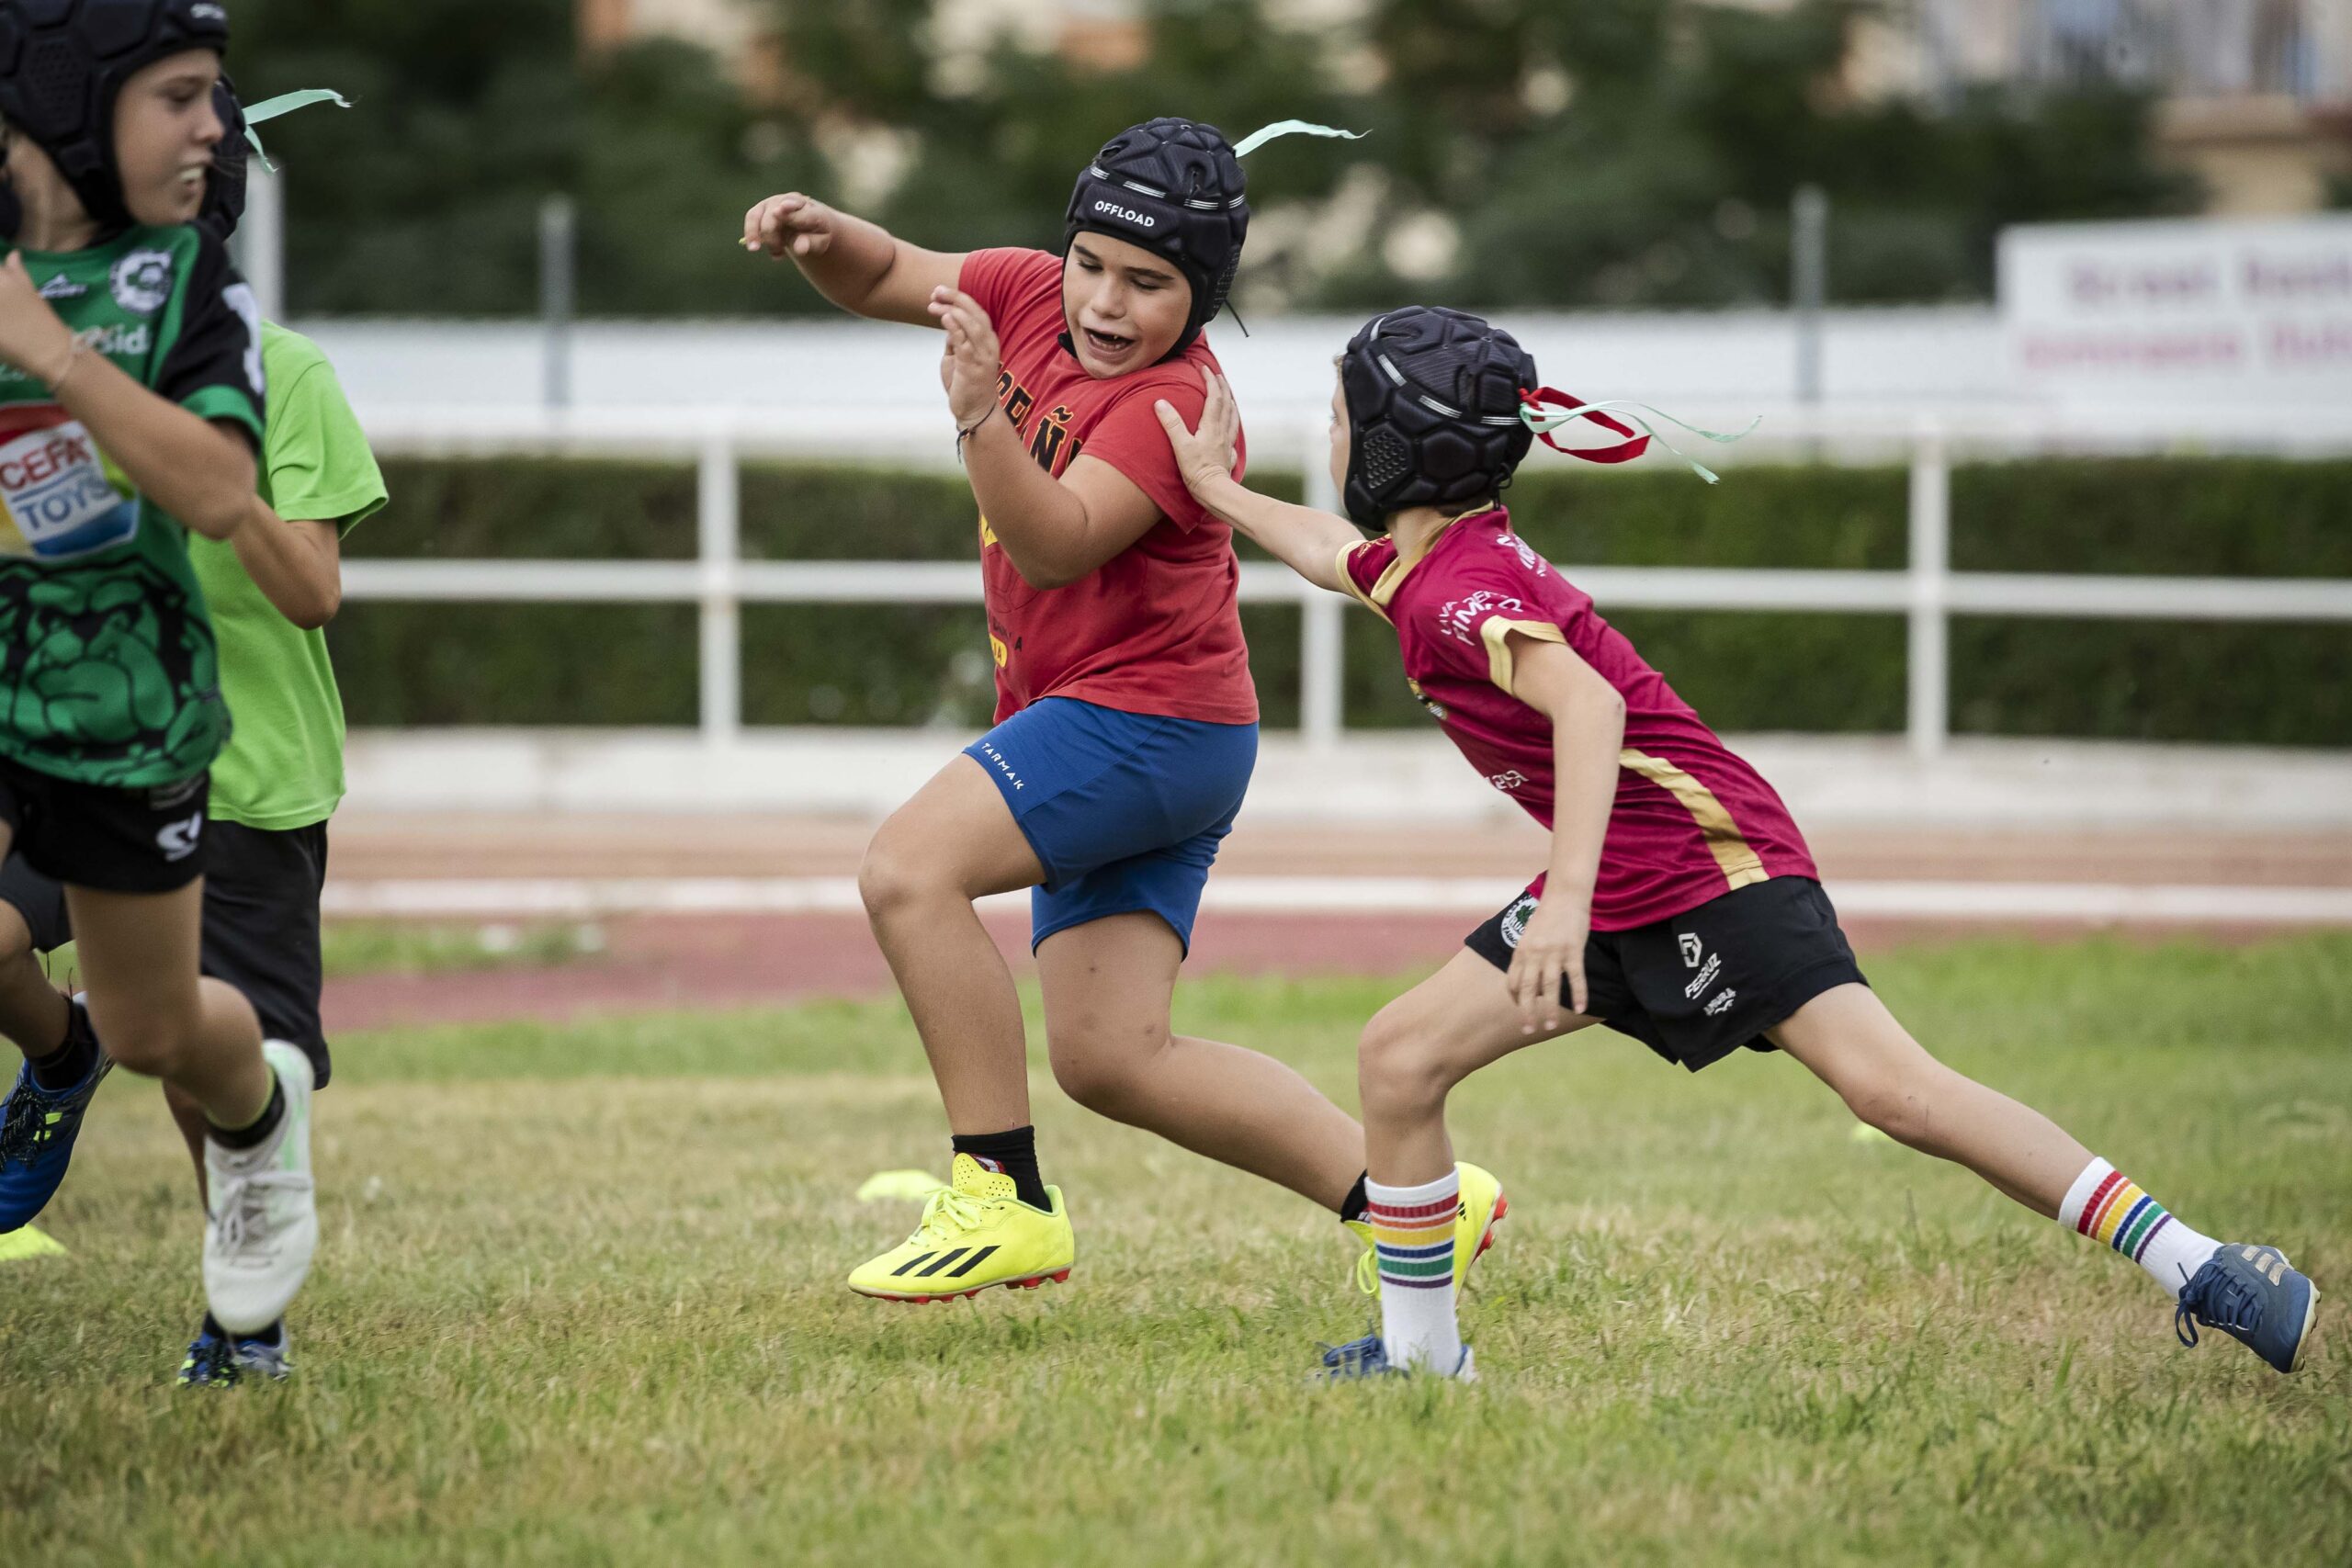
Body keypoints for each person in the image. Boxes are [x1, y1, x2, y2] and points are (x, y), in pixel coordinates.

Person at [1153, 304, 2320, 1379]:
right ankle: (1421, 1359)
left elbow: (1591, 710)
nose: (1330, 429)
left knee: (1894, 1094)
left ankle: (2207, 1267)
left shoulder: (1460, 589)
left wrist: (1562, 905)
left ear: (1397, 443)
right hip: (1616, 877)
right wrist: (1217, 488)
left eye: (1343, 412)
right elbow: (1325, 550)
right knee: (1400, 1060)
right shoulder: (1429, 568)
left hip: (1710, 869)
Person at [742, 119, 1505, 1304]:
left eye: (1148, 284)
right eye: (1091, 263)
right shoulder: (1021, 291)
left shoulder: (1178, 403)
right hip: (1147, 728)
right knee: (1113, 1059)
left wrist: (980, 414)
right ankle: (1416, 1207)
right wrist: (822, 236)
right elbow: (888, 272)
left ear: (1202, 297)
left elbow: (1053, 545)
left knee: (908, 871)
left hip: (1149, 724)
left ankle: (1000, 1195)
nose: (1105, 301)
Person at [0, 76, 379, 1384]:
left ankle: (242, 1317)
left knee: (190, 1063)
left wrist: (204, 483)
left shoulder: (287, 375)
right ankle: (59, 1052)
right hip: (68, 739)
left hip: (245, 774)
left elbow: (313, 590)